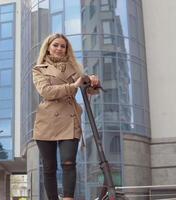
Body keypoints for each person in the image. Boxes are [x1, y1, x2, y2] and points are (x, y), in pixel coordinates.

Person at [32, 33, 100, 200]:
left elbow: (87, 89)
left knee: (69, 163)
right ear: (48, 47)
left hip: (70, 119)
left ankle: (69, 198)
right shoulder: (39, 69)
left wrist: (93, 83)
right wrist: (73, 86)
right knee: (49, 167)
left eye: (63, 46)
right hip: (46, 121)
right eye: (56, 45)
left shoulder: (75, 69)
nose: (59, 49)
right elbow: (46, 92)